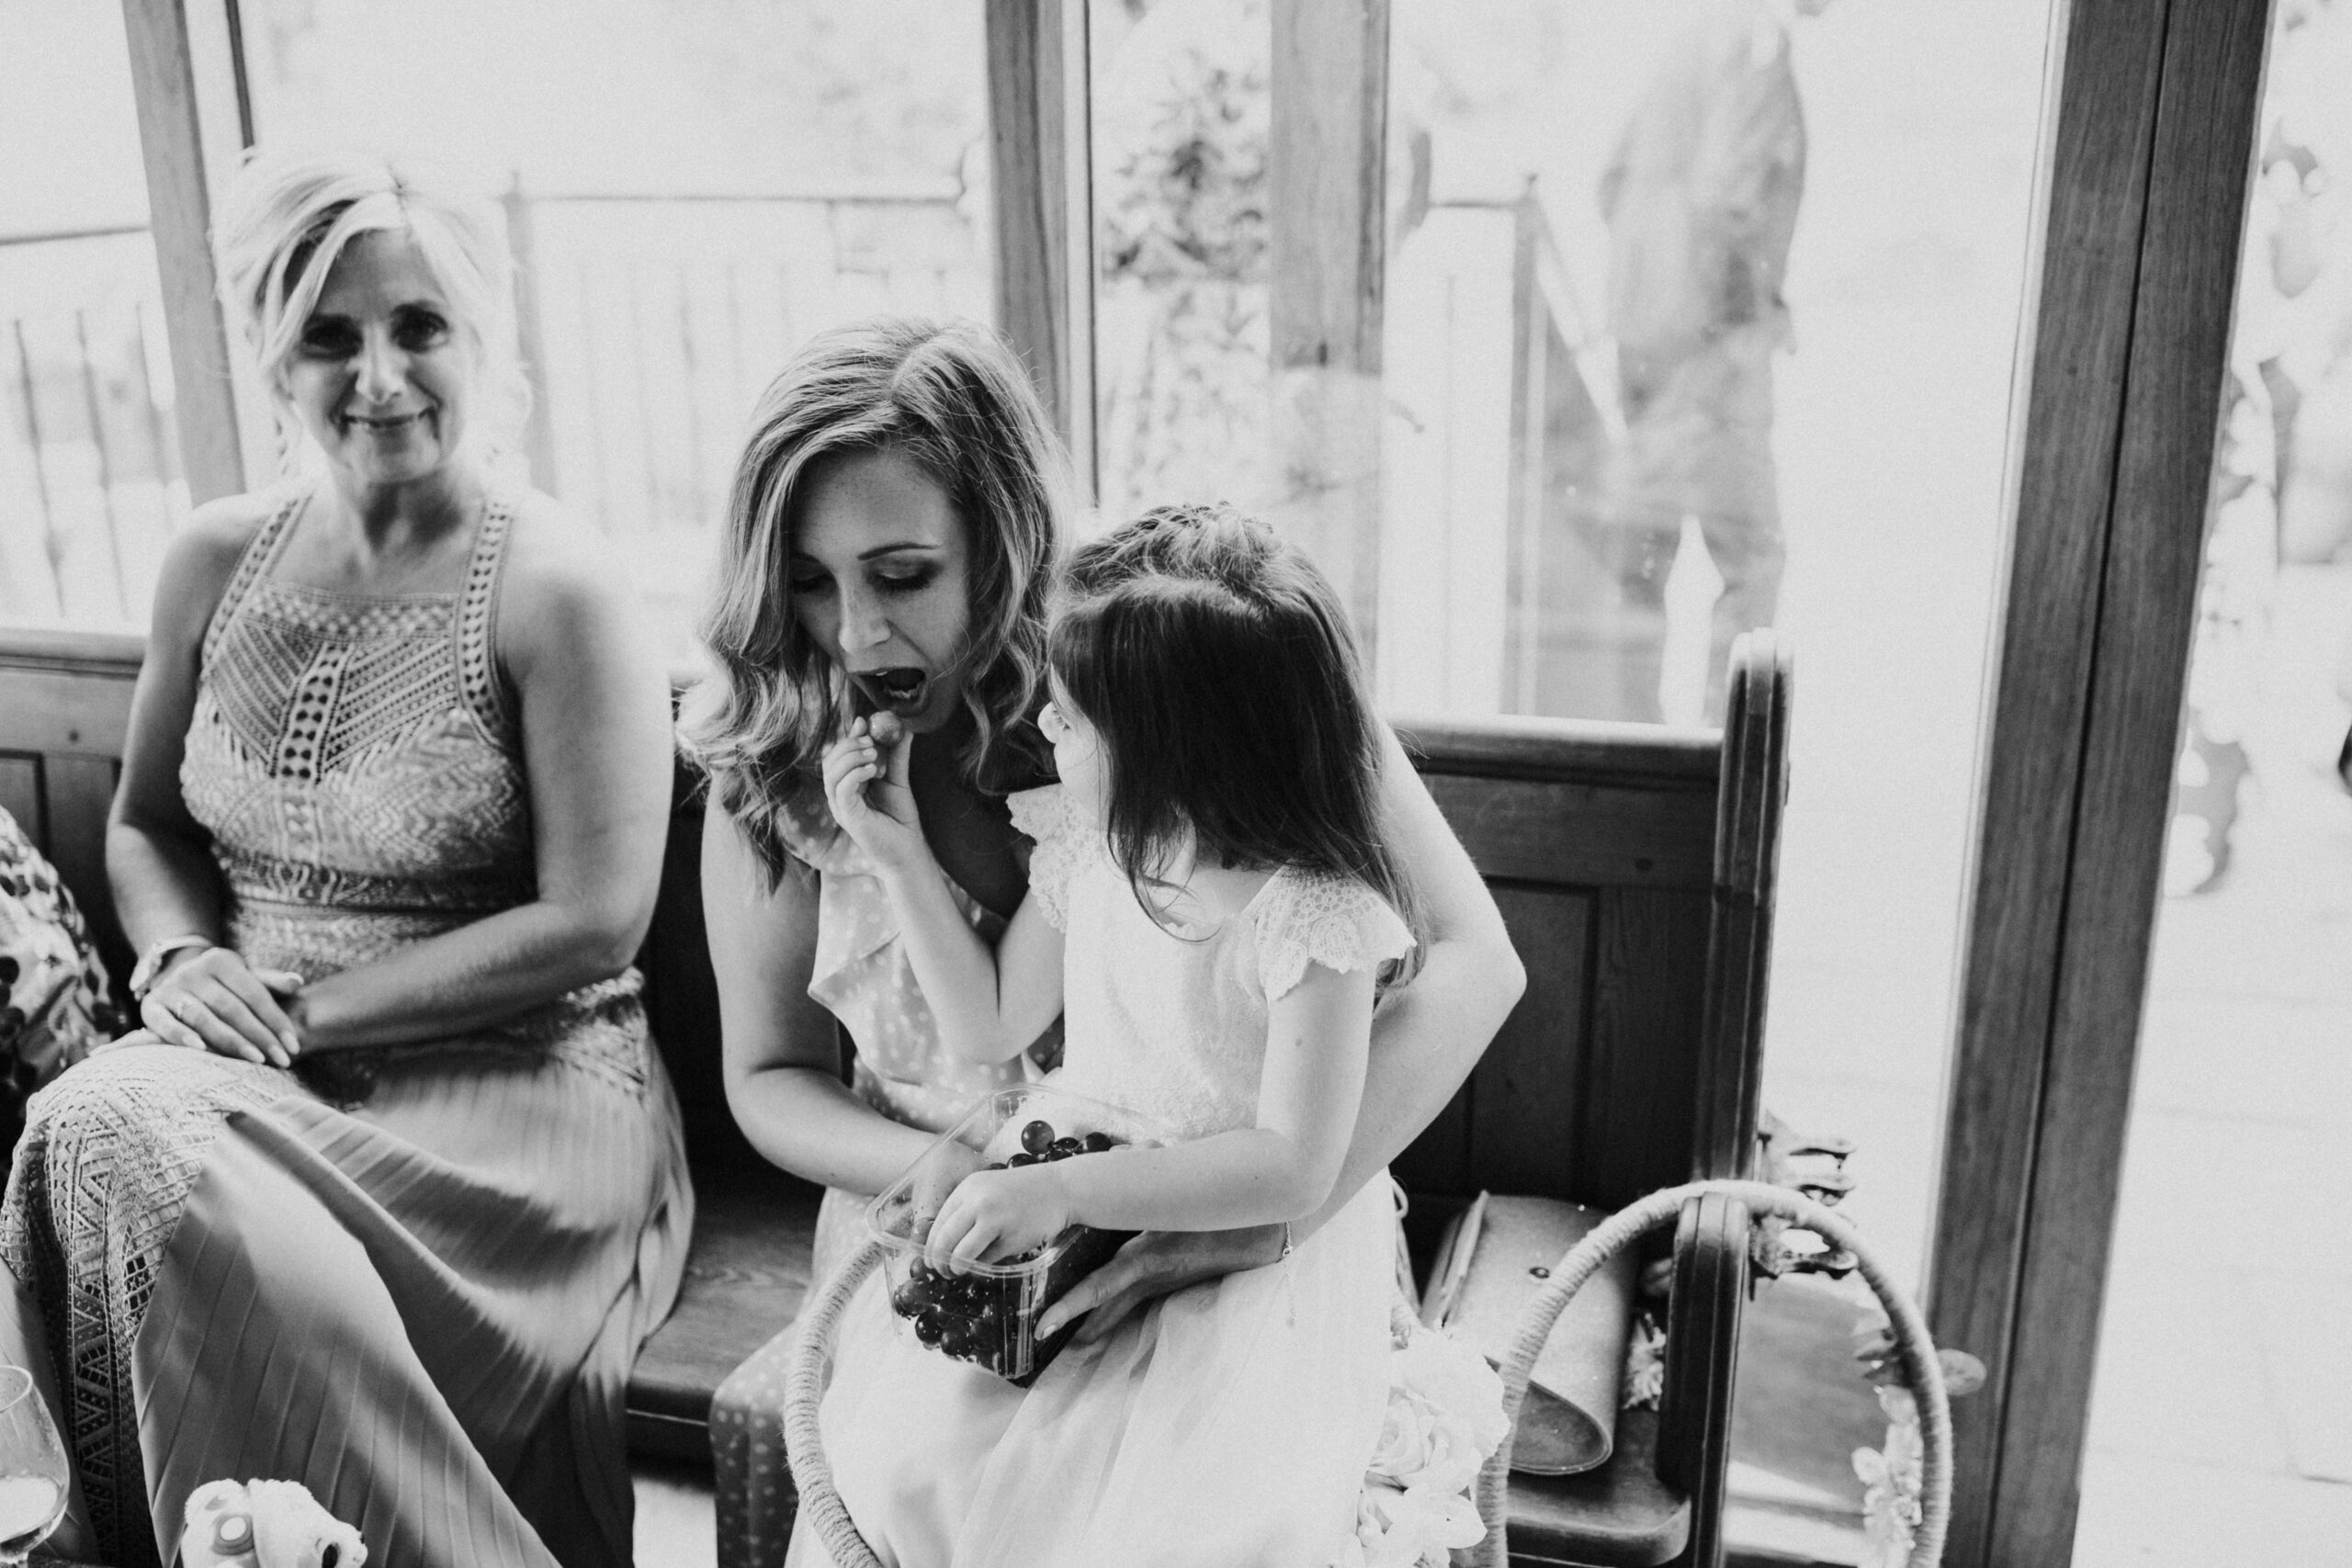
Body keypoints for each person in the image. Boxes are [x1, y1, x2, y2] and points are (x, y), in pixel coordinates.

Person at [683, 317, 1526, 1568]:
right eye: (809, 580)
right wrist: (947, 1165)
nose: (854, 634)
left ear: (1005, 533)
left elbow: (1474, 962)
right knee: (916, 1476)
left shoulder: (1176, 667)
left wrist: (1262, 1220)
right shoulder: (775, 758)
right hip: (937, 1211)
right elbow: (769, 1075)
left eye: (903, 571)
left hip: (1233, 1215)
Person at [0, 149, 692, 1568]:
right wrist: (185, 954)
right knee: (93, 1127)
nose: (377, 374)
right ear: (274, 357)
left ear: (483, 339)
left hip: (524, 1089)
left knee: (122, 1125)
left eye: (417, 327)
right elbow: (147, 822)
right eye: (330, 335)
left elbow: (595, 920)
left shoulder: (558, 585)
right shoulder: (211, 558)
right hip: (248, 1073)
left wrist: (301, 1016)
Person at [1589, 0, 1826, 722]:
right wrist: (1744, 319)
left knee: (1641, 566)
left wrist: (1650, 299)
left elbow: (1609, 184)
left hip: (1644, 337)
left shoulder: (1690, 38)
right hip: (1706, 348)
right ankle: (1725, 769)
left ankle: (1632, 751)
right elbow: (1730, 203)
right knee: (1753, 562)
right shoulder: (1756, 44)